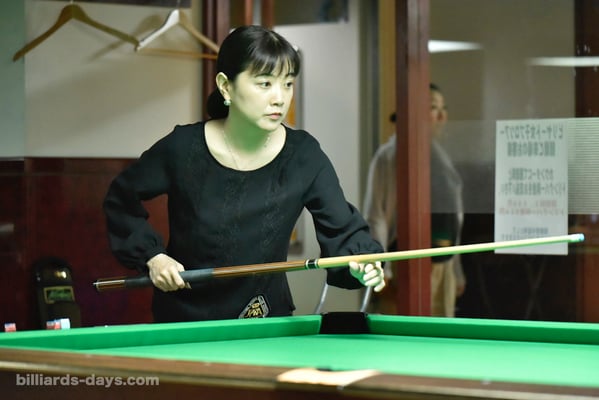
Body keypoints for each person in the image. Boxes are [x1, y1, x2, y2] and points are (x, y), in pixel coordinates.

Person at [103, 25, 385, 323]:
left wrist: (362, 263)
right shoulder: (183, 148)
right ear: (226, 86)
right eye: (265, 83)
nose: (280, 98)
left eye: (288, 84)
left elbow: (343, 230)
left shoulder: (304, 155)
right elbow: (121, 198)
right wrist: (153, 256)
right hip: (184, 321)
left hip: (265, 319)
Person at [363, 83, 465, 317]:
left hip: (443, 265)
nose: (441, 116)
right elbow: (376, 218)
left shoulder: (441, 156)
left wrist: (456, 270)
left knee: (440, 336)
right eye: (433, 108)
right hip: (405, 266)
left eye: (443, 109)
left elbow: (454, 218)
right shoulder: (389, 157)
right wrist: (382, 272)